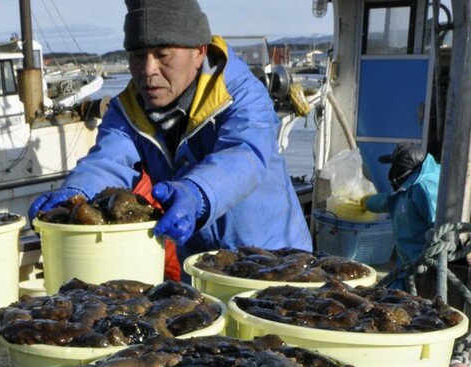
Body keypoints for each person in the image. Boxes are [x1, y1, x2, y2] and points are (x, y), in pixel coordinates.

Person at [29, 0, 311, 279]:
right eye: (138, 55)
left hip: (279, 265)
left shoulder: (243, 94)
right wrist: (76, 193)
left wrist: (196, 193)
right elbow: (108, 160)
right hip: (200, 273)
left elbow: (245, 154)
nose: (148, 69)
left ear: (199, 52)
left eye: (162, 54)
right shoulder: (127, 109)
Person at [360, 143, 440, 281]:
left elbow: (440, 230)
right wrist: (370, 203)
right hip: (406, 268)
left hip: (422, 272)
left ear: (400, 167)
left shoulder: (423, 188)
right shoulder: (414, 183)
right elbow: (396, 200)